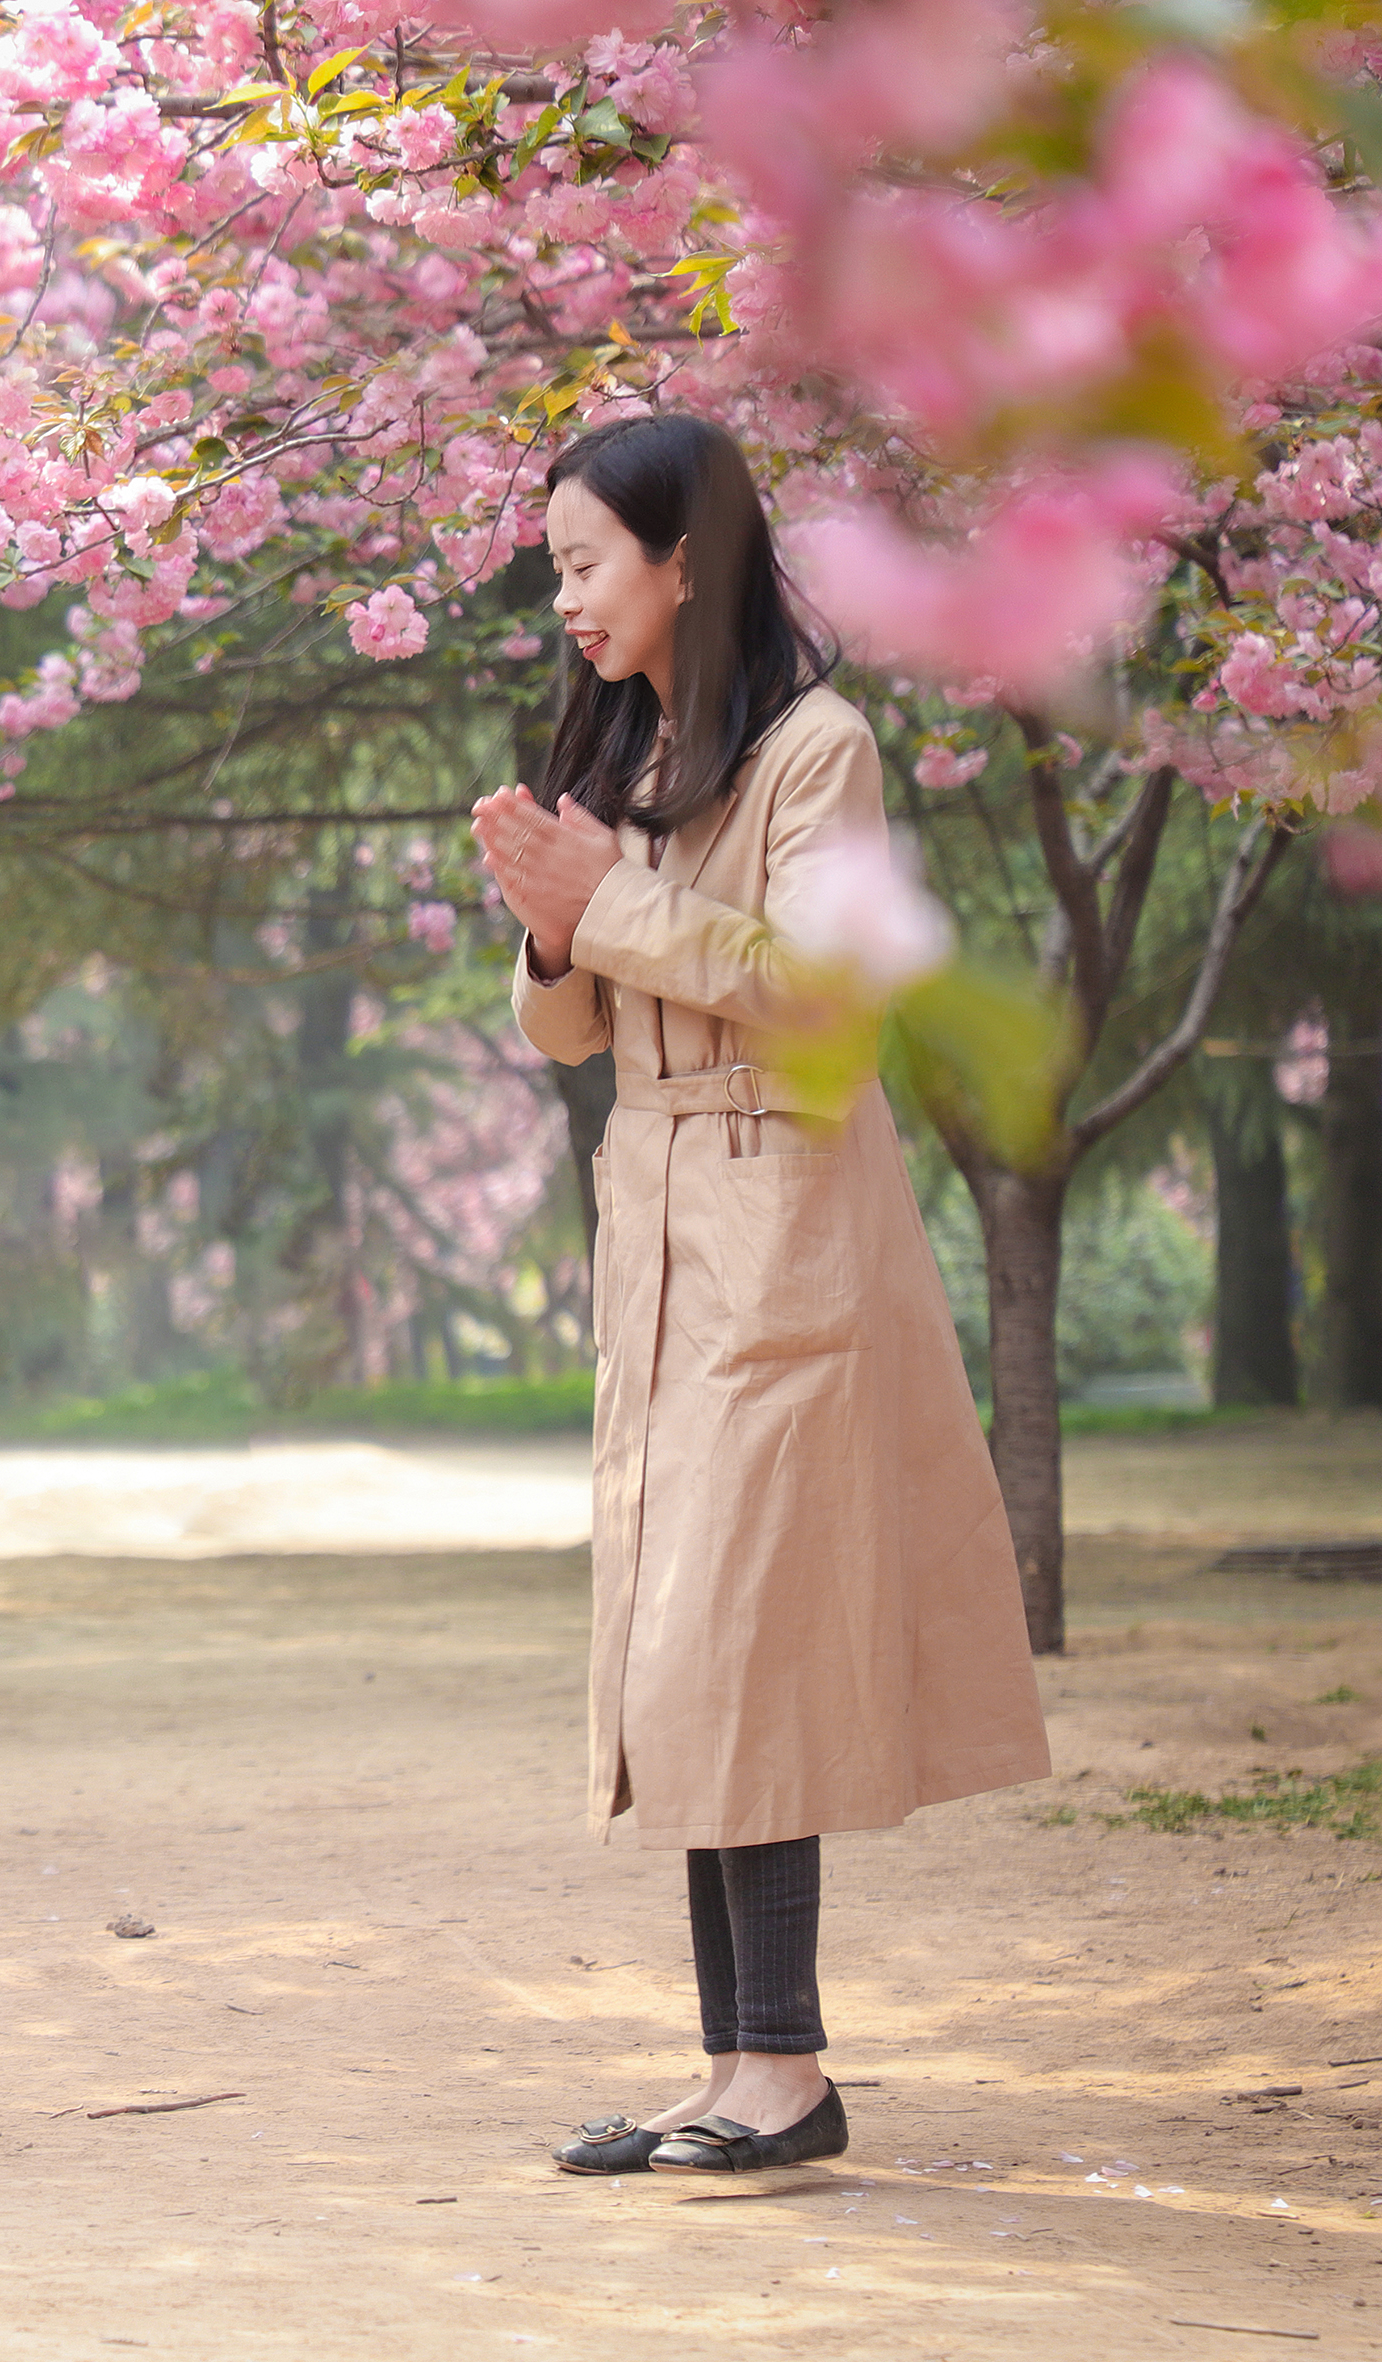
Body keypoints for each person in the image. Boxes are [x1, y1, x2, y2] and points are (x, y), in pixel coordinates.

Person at [471, 412, 1050, 2178]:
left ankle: (784, 2070)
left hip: (783, 1215)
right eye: (554, 566)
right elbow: (566, 1026)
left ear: (681, 559)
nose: (560, 598)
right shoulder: (629, 746)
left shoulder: (819, 749)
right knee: (678, 1655)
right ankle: (733, 2065)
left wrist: (612, 900)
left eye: (582, 563)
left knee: (744, 1645)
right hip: (653, 1219)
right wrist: (554, 930)